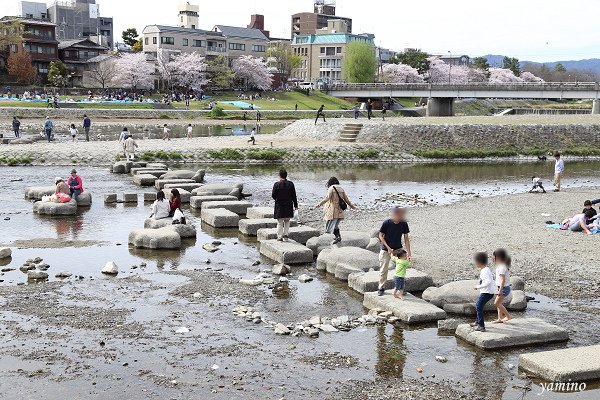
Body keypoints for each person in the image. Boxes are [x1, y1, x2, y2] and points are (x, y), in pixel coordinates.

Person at [377, 207, 412, 296]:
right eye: (400, 215)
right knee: (383, 269)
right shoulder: (387, 223)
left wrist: (409, 253)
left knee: (401, 269)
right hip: (385, 249)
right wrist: (388, 248)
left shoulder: (403, 223)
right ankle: (381, 287)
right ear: (395, 214)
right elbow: (380, 236)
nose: (401, 217)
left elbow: (406, 238)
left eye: (402, 215)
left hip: (398, 249)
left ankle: (400, 288)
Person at [314, 177, 356, 244]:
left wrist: (319, 204)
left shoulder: (331, 188)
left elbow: (327, 198)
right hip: (340, 210)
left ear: (330, 182)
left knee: (331, 225)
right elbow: (346, 200)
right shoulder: (341, 189)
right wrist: (352, 206)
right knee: (335, 225)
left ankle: (337, 237)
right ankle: (338, 237)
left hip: (333, 210)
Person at [272, 169, 298, 242]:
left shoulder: (276, 184)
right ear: (286, 176)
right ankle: (286, 235)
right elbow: (294, 196)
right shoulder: (290, 184)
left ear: (280, 176)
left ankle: (279, 237)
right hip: (288, 205)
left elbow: (273, 195)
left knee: (280, 222)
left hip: (279, 206)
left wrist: (277, 199)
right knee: (287, 221)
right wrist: (296, 206)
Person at [472, 252, 495, 332]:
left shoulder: (484, 271)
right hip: (488, 292)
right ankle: (477, 322)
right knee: (479, 306)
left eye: (475, 262)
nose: (475, 263)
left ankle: (481, 326)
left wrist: (478, 287)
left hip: (487, 293)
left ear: (479, 262)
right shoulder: (486, 269)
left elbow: (488, 282)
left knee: (478, 306)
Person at [492, 249, 512, 324]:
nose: (493, 258)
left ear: (499, 257)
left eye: (494, 256)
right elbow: (506, 278)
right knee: (499, 304)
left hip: (503, 289)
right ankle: (499, 318)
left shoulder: (501, 267)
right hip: (503, 287)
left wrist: (500, 291)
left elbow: (503, 280)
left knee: (497, 303)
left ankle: (508, 316)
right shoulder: (502, 266)